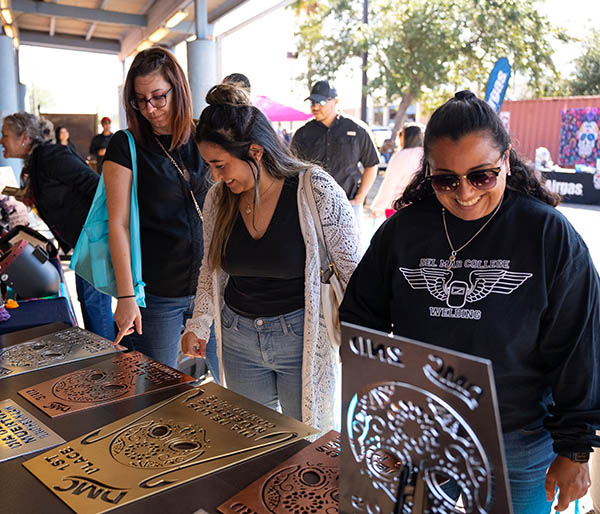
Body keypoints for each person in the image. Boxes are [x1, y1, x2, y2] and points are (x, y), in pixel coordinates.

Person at [339, 90, 600, 514]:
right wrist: (381, 406)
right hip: (421, 431)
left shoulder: (547, 235)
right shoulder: (403, 232)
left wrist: (575, 449)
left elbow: (580, 346)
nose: (464, 193)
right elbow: (359, 317)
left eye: (482, 176)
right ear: (429, 173)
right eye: (446, 179)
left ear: (507, 162)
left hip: (519, 437)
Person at [180, 83, 360, 431]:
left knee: (306, 442)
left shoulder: (314, 189)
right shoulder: (219, 199)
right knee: (250, 442)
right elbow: (211, 266)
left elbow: (353, 271)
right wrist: (199, 324)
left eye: (220, 165)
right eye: (208, 166)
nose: (215, 176)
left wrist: (365, 344)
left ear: (256, 151)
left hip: (302, 338)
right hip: (236, 337)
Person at [102, 47, 217, 376]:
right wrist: (126, 296)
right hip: (158, 293)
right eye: (140, 100)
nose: (149, 109)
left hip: (213, 289)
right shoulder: (126, 145)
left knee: (224, 388)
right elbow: (119, 224)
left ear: (177, 90)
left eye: (158, 97)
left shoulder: (204, 137)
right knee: (160, 387)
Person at [1, 112, 115, 340]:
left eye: (5, 135)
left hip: (93, 238)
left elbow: (94, 185)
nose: (1, 141)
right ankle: (104, 357)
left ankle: (109, 361)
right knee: (89, 301)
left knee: (95, 304)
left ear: (24, 137)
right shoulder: (36, 162)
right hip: (83, 240)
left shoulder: (51, 156)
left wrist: (96, 235)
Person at [290, 80, 380, 219]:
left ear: (335, 101)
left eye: (320, 102)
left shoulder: (357, 130)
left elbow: (372, 164)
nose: (314, 107)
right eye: (312, 102)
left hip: (347, 205)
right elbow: (292, 168)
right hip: (312, 208)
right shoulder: (302, 134)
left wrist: (359, 199)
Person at [370, 124, 424, 218]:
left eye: (400, 135)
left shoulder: (401, 156)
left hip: (398, 207)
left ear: (405, 136)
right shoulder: (427, 154)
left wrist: (378, 207)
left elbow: (390, 183)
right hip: (422, 206)